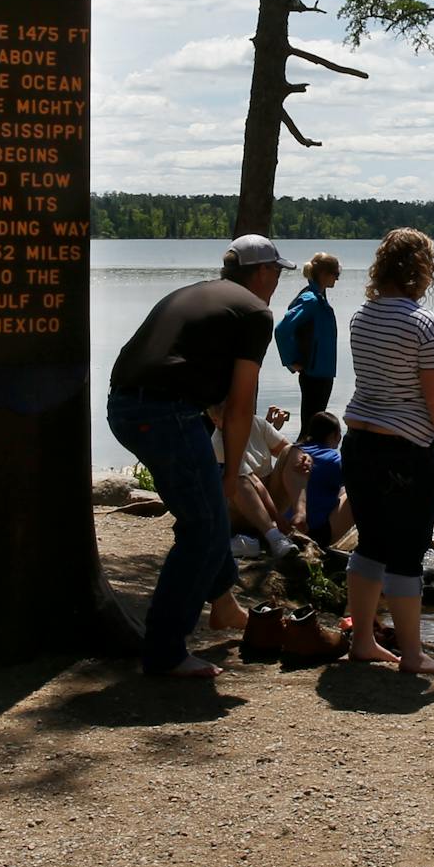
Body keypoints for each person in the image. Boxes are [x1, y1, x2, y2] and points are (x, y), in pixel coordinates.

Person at [106, 234, 294, 678]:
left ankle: (224, 604)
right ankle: (165, 650)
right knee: (205, 526)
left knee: (203, 511)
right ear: (263, 273)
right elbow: (242, 402)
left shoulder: (194, 293)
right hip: (163, 412)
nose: (277, 283)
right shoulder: (255, 312)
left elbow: (191, 370)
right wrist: (231, 472)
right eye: (277, 273)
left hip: (124, 405)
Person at [341, 227, 434, 673]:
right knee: (406, 553)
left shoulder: (362, 316)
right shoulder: (422, 322)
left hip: (359, 443)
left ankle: (362, 640)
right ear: (421, 270)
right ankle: (413, 655)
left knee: (370, 546)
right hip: (406, 452)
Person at [212, 404, 309, 561]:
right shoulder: (218, 443)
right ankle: (274, 537)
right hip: (239, 512)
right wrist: (277, 518)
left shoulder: (256, 424)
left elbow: (287, 450)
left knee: (294, 452)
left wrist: (305, 458)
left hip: (269, 502)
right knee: (236, 478)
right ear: (216, 421)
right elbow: (255, 483)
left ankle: (300, 514)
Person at [275, 252, 341, 417]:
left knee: (314, 425)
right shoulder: (310, 300)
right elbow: (282, 330)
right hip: (314, 375)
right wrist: (291, 362)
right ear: (324, 274)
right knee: (310, 427)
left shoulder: (319, 298)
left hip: (323, 373)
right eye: (336, 274)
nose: (337, 279)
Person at [296, 410, 350, 543]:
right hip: (314, 533)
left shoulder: (295, 451)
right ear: (335, 435)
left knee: (340, 488)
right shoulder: (333, 459)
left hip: (286, 527)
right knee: (356, 491)